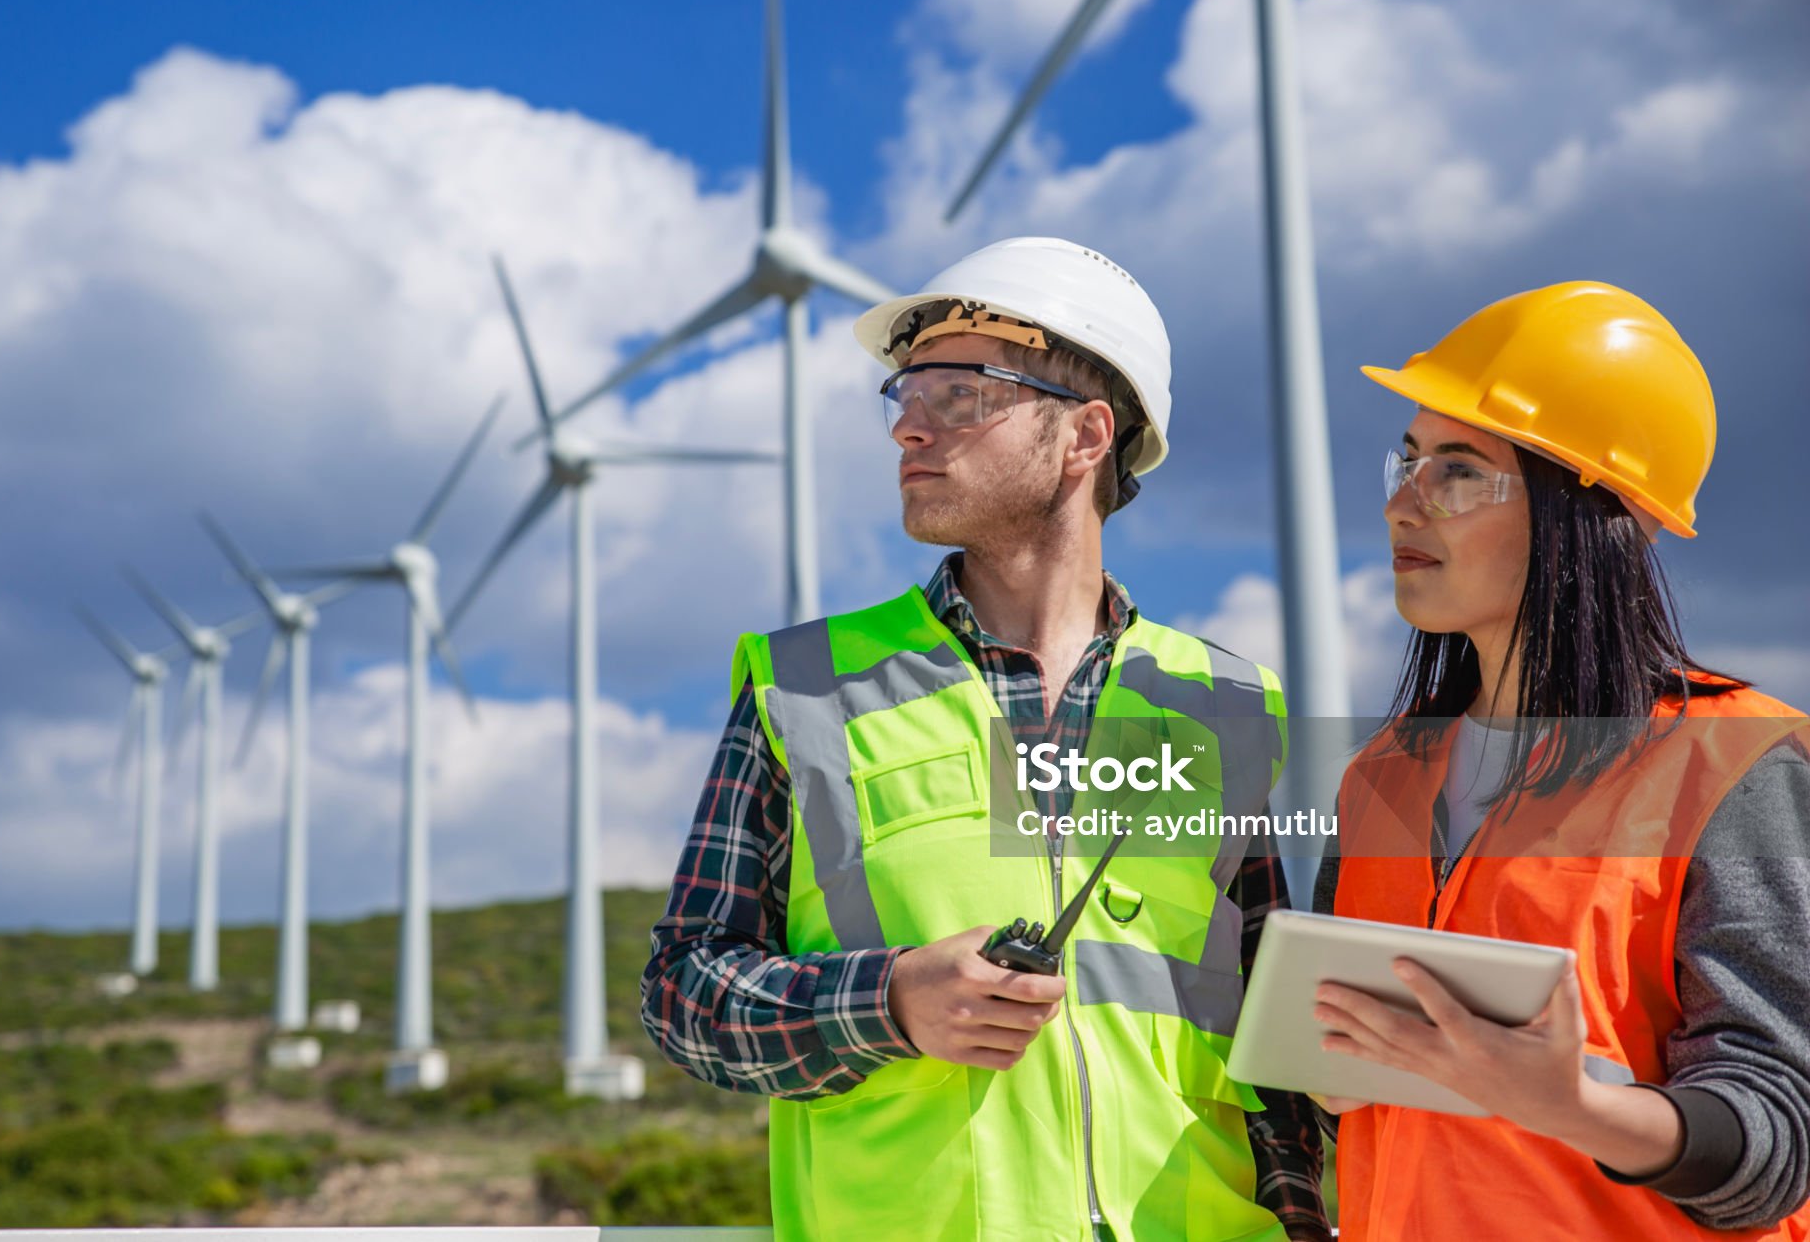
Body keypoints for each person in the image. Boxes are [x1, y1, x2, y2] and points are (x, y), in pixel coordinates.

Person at [641, 237, 1329, 1241]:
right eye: (903, 395)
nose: (907, 428)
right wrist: (889, 1000)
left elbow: (1270, 1033)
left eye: (959, 395)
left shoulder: (1219, 701)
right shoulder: (808, 687)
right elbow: (684, 993)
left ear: (1084, 436)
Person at [1311, 281, 1810, 1238]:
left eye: (1457, 471)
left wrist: (1575, 1107)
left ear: (1588, 513)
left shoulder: (1733, 762)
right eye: (1406, 461)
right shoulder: (1378, 777)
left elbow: (1781, 1133)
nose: (1401, 505)